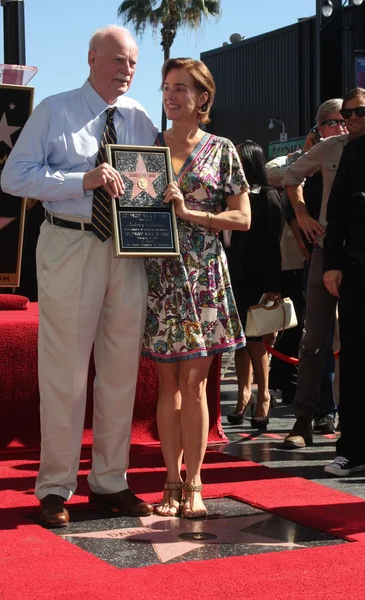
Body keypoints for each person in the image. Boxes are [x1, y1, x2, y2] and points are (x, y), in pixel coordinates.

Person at [1, 26, 158, 527]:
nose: (126, 70)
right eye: (117, 60)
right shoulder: (55, 110)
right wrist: (81, 180)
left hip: (127, 254)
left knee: (119, 373)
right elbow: (14, 176)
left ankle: (111, 481)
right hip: (69, 244)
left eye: (132, 62)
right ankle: (54, 488)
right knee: (65, 372)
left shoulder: (140, 119)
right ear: (92, 58)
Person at [142, 58, 250, 518]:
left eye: (181, 88)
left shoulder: (222, 149)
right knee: (167, 382)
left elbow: (243, 218)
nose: (171, 96)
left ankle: (196, 483)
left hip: (205, 276)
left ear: (203, 97)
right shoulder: (146, 147)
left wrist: (191, 214)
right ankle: (169, 479)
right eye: (166, 87)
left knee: (196, 381)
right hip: (160, 278)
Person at [282, 89, 365, 449]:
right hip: (325, 253)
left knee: (356, 342)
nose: (351, 119)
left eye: (359, 111)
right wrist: (302, 217)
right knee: (314, 338)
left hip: (359, 255)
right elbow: (286, 175)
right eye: (346, 114)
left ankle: (352, 424)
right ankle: (303, 419)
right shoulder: (333, 148)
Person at [226, 141, 282, 430]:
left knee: (256, 339)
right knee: (238, 341)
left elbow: (274, 245)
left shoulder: (268, 197)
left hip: (256, 277)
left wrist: (273, 284)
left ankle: (263, 396)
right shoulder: (226, 195)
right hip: (229, 276)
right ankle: (243, 394)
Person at [323, 135, 365, 476]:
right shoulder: (356, 149)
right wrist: (332, 263)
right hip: (357, 267)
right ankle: (352, 448)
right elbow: (336, 210)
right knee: (354, 360)